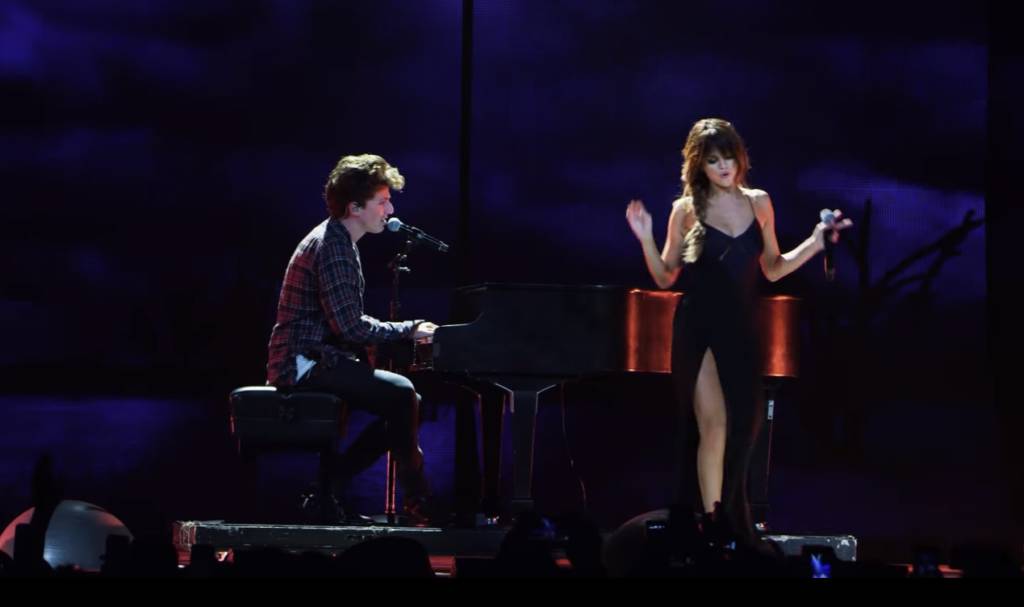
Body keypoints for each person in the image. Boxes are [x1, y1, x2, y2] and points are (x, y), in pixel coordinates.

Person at [625, 118, 851, 551]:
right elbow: (665, 276)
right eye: (713, 160)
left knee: (746, 427)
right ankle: (714, 525)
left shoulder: (759, 202)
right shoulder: (685, 209)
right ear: (700, 165)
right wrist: (645, 238)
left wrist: (816, 242)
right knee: (714, 426)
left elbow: (773, 268)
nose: (724, 166)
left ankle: (729, 517)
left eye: (729, 157)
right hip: (698, 328)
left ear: (740, 157)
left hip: (741, 328)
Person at [266, 153, 437, 525]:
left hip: (312, 358)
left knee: (409, 402)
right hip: (302, 363)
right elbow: (350, 327)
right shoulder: (334, 246)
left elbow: (344, 328)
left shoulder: (339, 241)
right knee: (402, 393)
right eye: (382, 202)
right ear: (355, 206)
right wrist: (410, 328)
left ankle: (329, 487)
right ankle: (419, 498)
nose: (390, 210)